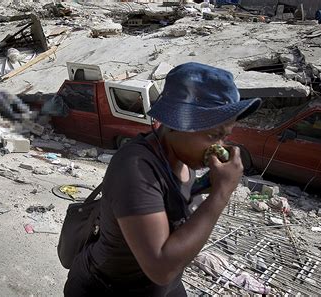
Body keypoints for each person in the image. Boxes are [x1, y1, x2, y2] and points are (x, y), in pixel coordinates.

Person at [63, 62, 261, 296]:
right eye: (213, 136)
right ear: (178, 123)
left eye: (225, 137)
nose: (219, 147)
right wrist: (221, 193)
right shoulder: (135, 168)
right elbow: (161, 267)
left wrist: (207, 185)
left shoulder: (182, 159)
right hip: (107, 287)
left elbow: (173, 200)